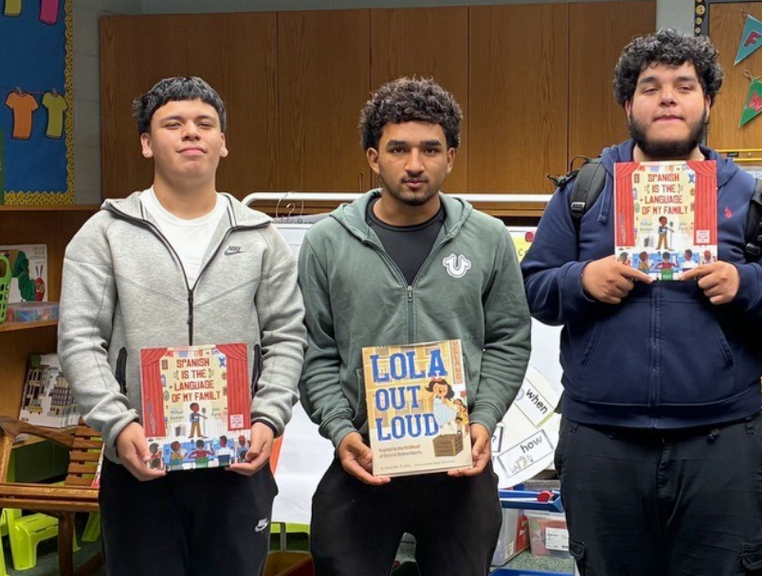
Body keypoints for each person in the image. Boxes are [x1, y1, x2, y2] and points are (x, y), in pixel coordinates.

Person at [521, 30, 762, 575]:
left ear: (708, 102)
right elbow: (535, 288)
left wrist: (745, 285)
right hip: (601, 440)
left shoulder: (751, 197)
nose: (667, 97)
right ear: (629, 104)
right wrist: (582, 280)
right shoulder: (584, 191)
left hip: (722, 444)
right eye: (650, 87)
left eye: (683, 85)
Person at [57, 76, 306, 576]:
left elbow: (287, 334)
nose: (191, 133)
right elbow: (79, 340)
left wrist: (268, 417)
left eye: (204, 124)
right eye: (174, 123)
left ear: (223, 142)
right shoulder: (104, 235)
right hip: (140, 461)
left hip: (236, 463)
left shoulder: (260, 238)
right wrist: (117, 423)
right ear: (148, 143)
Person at [297, 77, 531, 576]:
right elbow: (313, 350)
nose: (415, 164)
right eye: (398, 149)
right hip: (363, 457)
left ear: (451, 156)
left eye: (430, 149)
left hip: (458, 462)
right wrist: (340, 432)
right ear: (372, 156)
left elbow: (509, 340)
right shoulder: (326, 242)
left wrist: (484, 418)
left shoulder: (488, 239)